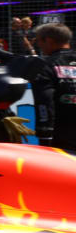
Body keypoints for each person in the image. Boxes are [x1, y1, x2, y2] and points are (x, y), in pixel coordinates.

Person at [32, 22, 76, 152]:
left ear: (49, 40)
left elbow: (45, 101)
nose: (38, 44)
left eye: (39, 40)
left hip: (63, 132)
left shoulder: (45, 65)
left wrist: (44, 133)